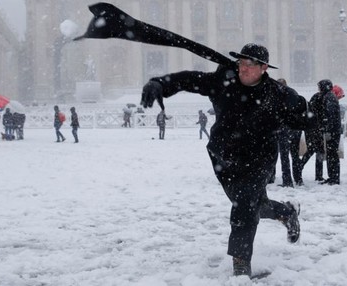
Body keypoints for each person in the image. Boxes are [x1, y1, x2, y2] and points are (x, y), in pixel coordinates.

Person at [140, 43, 305, 277]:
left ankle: (241, 265)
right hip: (225, 157)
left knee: (245, 205)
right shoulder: (223, 82)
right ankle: (286, 213)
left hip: (259, 158)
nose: (243, 69)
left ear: (264, 67)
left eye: (249, 65)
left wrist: (303, 113)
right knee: (254, 205)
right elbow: (190, 79)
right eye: (241, 64)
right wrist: (161, 83)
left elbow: (303, 116)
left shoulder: (277, 92)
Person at [275, 78, 304, 187]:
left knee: (284, 155)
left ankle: (287, 181)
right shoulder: (293, 92)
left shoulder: (279, 95)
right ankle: (298, 179)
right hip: (296, 128)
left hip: (284, 129)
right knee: (295, 155)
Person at [316, 80, 342, 185]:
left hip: (332, 131)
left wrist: (327, 129)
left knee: (332, 155)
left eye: (319, 87)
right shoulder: (329, 96)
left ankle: (334, 178)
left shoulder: (329, 97)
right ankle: (332, 176)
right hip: (333, 130)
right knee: (331, 154)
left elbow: (329, 116)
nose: (318, 89)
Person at [299, 86, 327, 184]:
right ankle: (301, 168)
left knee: (314, 150)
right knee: (315, 150)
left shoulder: (316, 98)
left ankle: (301, 168)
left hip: (312, 128)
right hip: (314, 129)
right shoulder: (321, 98)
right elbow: (320, 113)